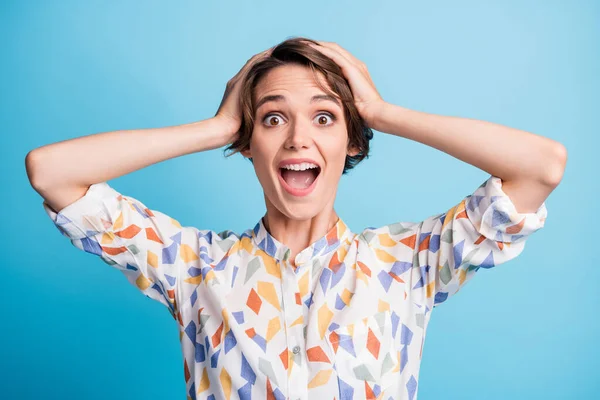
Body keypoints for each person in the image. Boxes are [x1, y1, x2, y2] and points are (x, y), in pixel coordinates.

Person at [26, 36, 566, 400]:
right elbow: (51, 172)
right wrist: (215, 128)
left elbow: (541, 167)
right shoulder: (193, 266)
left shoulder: (408, 263)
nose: (298, 138)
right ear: (249, 144)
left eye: (325, 117)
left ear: (350, 143)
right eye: (273, 118)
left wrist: (381, 114)